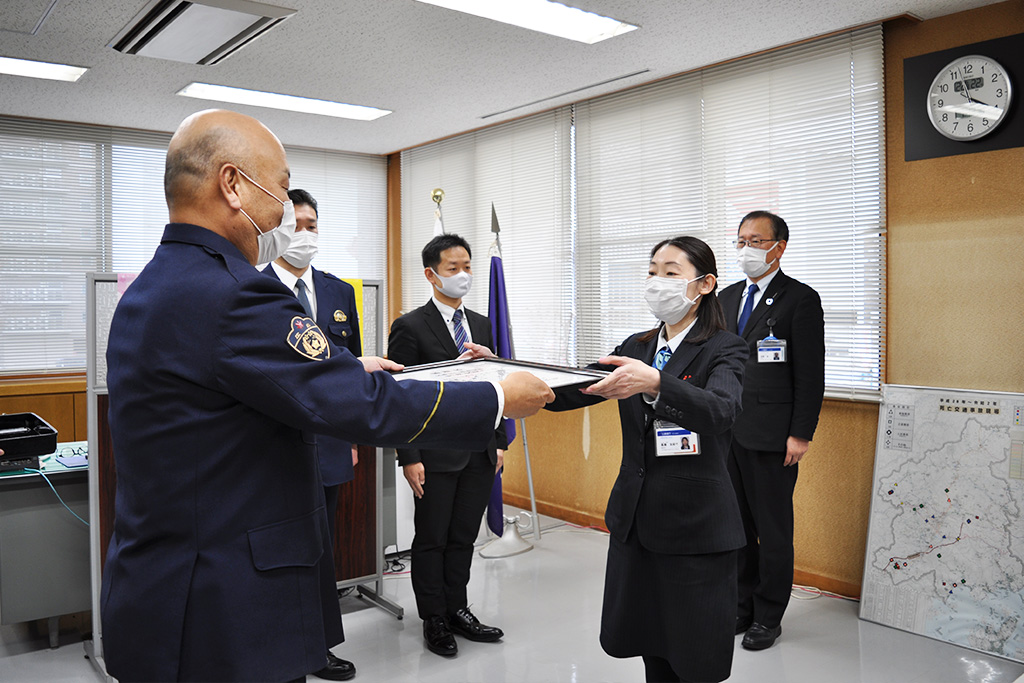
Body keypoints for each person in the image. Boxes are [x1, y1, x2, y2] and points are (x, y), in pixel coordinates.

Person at [100, 109, 554, 683]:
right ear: (233, 184)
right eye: (280, 189)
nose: (284, 213)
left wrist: (344, 367)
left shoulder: (152, 287)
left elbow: (225, 389)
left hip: (161, 588)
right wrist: (495, 399)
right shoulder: (237, 294)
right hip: (224, 607)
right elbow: (362, 404)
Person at [546, 236, 748, 682]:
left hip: (695, 529)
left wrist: (656, 383)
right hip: (637, 522)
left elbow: (721, 411)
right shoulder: (636, 346)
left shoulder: (725, 347)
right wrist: (504, 372)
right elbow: (575, 387)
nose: (658, 281)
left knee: (692, 657)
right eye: (653, 271)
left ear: (705, 284)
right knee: (651, 647)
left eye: (672, 272)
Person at [386, 233, 509, 657]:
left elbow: (494, 386)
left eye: (467, 267)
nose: (463, 275)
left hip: (480, 450)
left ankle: (458, 608)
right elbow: (399, 396)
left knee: (463, 537)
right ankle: (433, 618)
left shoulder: (481, 323)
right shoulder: (410, 326)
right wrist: (409, 457)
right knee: (432, 537)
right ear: (431, 274)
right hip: (435, 452)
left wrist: (499, 443)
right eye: (453, 268)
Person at [262, 188, 361, 681]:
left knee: (322, 548)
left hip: (331, 444)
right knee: (284, 551)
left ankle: (319, 646)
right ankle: (282, 645)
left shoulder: (339, 292)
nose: (305, 234)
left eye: (312, 225)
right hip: (273, 449)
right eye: (295, 225)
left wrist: (354, 437)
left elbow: (352, 372)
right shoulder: (253, 288)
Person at [719, 210, 825, 651]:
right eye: (741, 241)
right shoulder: (725, 298)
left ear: (779, 247)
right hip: (727, 432)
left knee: (773, 530)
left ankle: (768, 616)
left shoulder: (799, 299)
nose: (746, 249)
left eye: (756, 241)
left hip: (773, 436)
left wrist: (801, 434)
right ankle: (741, 606)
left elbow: (811, 374)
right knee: (736, 527)